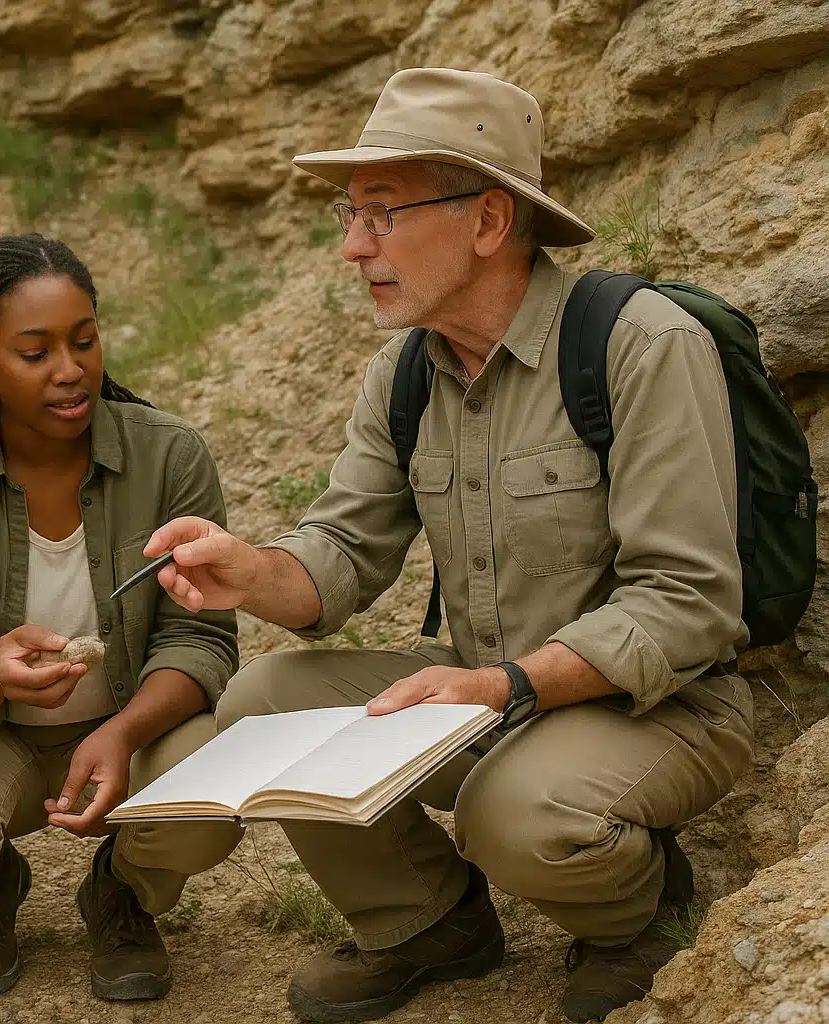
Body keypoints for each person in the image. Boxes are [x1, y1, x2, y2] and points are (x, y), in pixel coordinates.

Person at [146, 68, 753, 1023]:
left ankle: (636, 917)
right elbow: (341, 554)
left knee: (510, 810)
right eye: (351, 215)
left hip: (663, 707)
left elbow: (688, 603)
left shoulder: (642, 346)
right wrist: (251, 571)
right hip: (487, 699)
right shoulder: (404, 374)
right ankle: (428, 925)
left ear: (489, 220)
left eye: (381, 215)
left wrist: (504, 686)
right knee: (264, 702)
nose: (353, 247)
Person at [0, 234, 244, 1002]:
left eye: (84, 341)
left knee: (216, 792)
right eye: (34, 353)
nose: (70, 370)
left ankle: (124, 892)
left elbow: (201, 640)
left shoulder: (168, 455)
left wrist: (123, 731)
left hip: (129, 728)